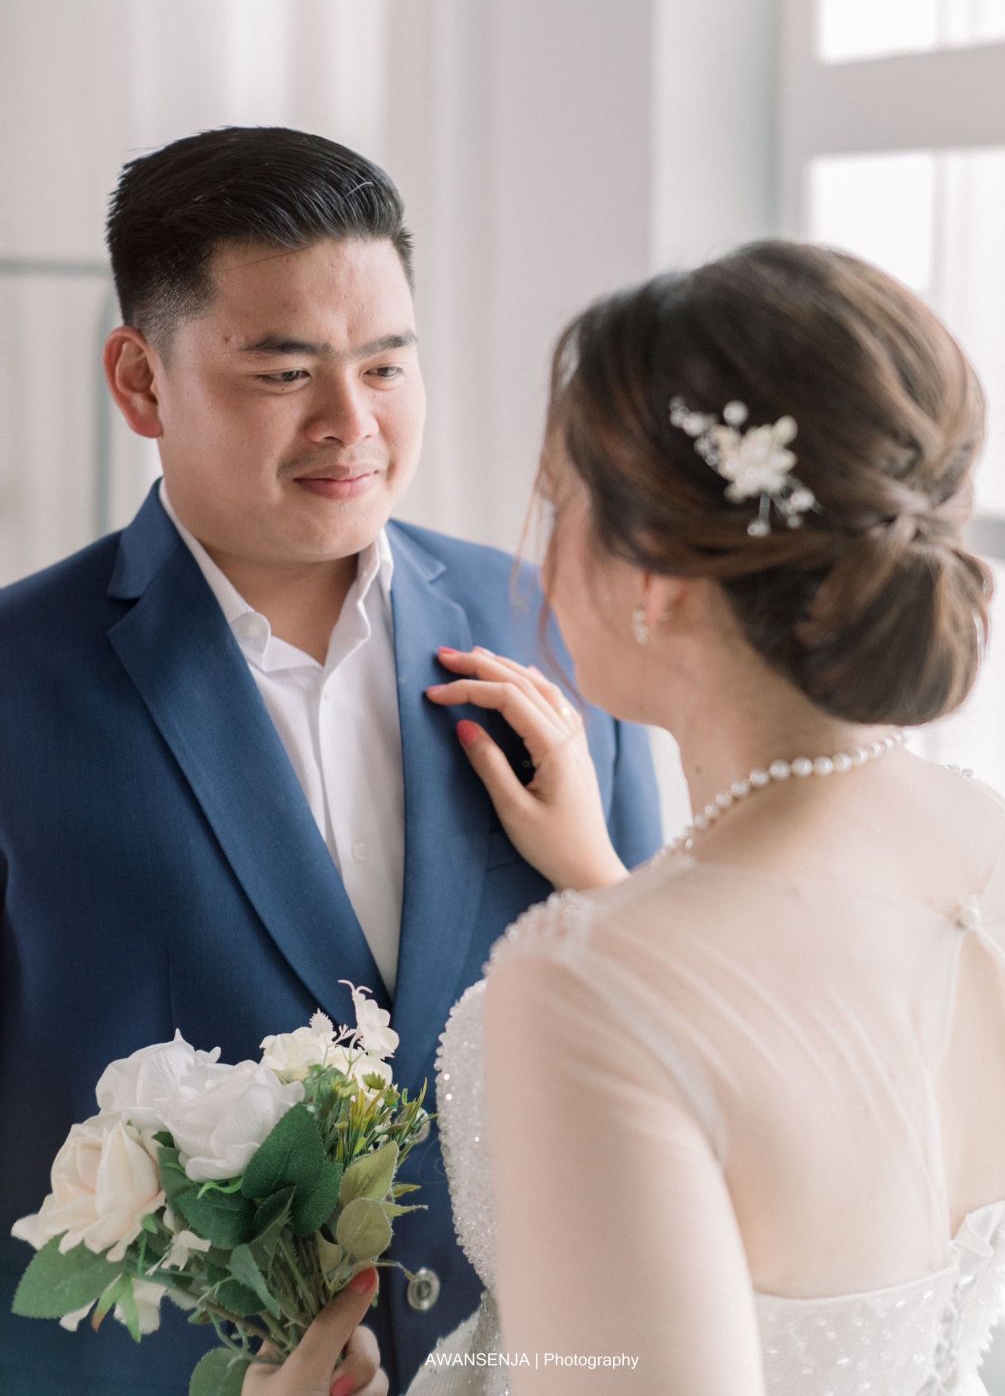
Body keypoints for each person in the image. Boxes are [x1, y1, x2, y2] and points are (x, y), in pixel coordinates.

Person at [260, 240, 1005, 1394]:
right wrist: (605, 877)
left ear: (658, 578)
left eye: (561, 502)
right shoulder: (989, 844)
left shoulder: (584, 982)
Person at [0, 128, 662, 1396]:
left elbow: (653, 1047)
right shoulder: (18, 686)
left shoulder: (551, 626)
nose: (352, 424)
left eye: (388, 365)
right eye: (285, 371)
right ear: (140, 380)